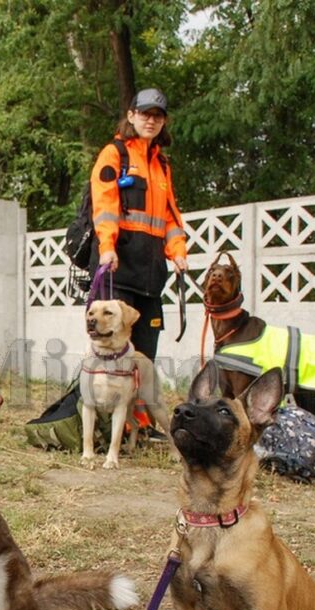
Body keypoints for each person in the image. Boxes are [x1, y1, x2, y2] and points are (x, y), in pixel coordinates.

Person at [88, 87, 188, 439]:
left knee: (145, 354)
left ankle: (141, 425)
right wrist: (107, 247)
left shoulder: (162, 164)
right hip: (118, 267)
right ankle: (99, 425)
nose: (151, 119)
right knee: (108, 350)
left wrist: (178, 251)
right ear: (131, 115)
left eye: (157, 115)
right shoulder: (114, 154)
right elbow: (105, 205)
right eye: (144, 113)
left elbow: (171, 216)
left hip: (151, 276)